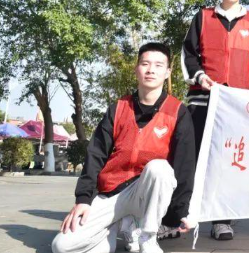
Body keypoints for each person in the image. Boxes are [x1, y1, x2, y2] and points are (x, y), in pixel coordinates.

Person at [52, 43, 196, 253]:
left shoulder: (178, 112)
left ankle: (147, 236)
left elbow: (185, 165)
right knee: (61, 246)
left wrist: (180, 211)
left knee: (160, 168)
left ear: (167, 73)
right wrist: (83, 199)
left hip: (145, 195)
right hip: (112, 194)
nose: (151, 70)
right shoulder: (118, 108)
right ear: (137, 69)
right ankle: (115, 229)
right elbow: (96, 155)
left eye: (158, 65)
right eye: (145, 64)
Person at [181, 0, 249, 241]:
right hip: (202, 99)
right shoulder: (203, 17)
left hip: (236, 104)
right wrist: (200, 76)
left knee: (228, 160)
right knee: (193, 158)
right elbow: (188, 53)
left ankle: (222, 221)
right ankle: (181, 216)